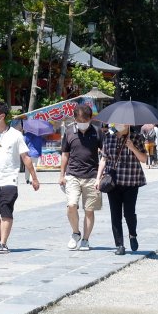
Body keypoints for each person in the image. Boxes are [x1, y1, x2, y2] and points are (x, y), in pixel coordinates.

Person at [0, 100, 39, 254]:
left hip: (9, 179)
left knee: (6, 210)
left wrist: (34, 177)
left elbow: (25, 157)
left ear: (2, 116)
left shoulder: (16, 135)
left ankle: (3, 243)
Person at [96, 123, 147, 255]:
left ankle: (132, 234)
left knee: (129, 213)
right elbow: (104, 159)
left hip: (131, 181)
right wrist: (98, 178)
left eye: (123, 123)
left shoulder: (136, 138)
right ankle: (119, 245)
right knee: (115, 215)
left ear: (128, 124)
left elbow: (144, 159)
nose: (119, 125)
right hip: (113, 182)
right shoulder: (109, 138)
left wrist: (132, 147)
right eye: (116, 122)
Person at [59, 104, 103, 251]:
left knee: (89, 210)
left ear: (90, 118)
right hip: (73, 175)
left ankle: (85, 239)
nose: (82, 122)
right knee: (71, 205)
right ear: (74, 118)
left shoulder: (97, 131)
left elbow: (104, 153)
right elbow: (65, 154)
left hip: (92, 175)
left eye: (85, 119)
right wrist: (62, 175)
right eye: (79, 120)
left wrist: (100, 176)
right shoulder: (70, 132)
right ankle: (76, 232)